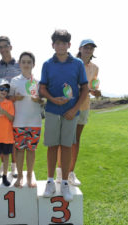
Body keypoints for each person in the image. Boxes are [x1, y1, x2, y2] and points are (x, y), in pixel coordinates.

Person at [39, 29, 89, 202]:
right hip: (52, 111)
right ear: (53, 45)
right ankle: (50, 181)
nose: (60, 46)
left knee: (67, 146)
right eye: (57, 43)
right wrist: (53, 99)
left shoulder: (77, 64)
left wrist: (74, 109)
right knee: (52, 146)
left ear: (69, 45)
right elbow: (42, 88)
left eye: (63, 43)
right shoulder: (47, 64)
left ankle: (65, 183)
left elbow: (84, 88)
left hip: (70, 113)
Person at [56, 39, 101, 186]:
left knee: (76, 141)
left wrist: (96, 92)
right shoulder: (72, 63)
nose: (88, 50)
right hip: (69, 106)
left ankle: (70, 173)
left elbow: (92, 86)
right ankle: (59, 171)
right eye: (86, 47)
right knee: (65, 140)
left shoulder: (95, 68)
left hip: (84, 106)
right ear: (80, 49)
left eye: (91, 48)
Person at [9, 52, 43, 188]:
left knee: (31, 150)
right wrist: (15, 98)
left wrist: (39, 99)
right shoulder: (14, 81)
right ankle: (20, 176)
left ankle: (29, 175)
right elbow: (9, 98)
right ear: (19, 64)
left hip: (35, 122)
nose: (26, 64)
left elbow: (42, 100)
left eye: (29, 62)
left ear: (33, 64)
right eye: (23, 62)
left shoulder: (38, 82)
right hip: (19, 121)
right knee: (19, 149)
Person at [0, 36, 21, 178]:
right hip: (2, 108)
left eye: (5, 46)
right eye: (0, 47)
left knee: (13, 138)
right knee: (3, 136)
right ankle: (4, 165)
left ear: (10, 47)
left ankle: (14, 166)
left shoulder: (19, 65)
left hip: (17, 106)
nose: (3, 49)